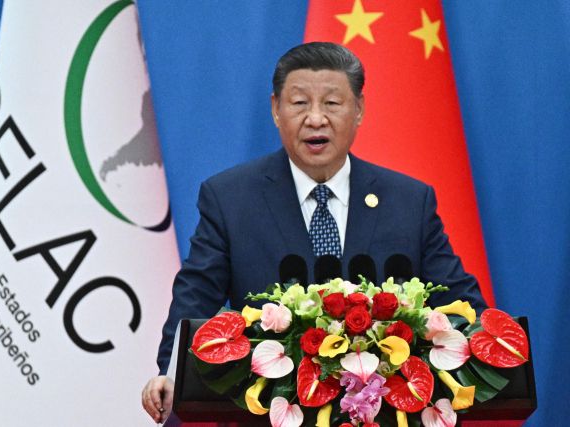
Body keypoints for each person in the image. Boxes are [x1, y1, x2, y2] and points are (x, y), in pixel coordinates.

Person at [141, 41, 487, 423]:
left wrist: (490, 348)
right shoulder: (230, 199)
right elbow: (196, 296)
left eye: (332, 103)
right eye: (299, 103)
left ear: (359, 109)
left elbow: (461, 304)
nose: (316, 118)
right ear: (276, 109)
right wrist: (170, 372)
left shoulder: (408, 202)